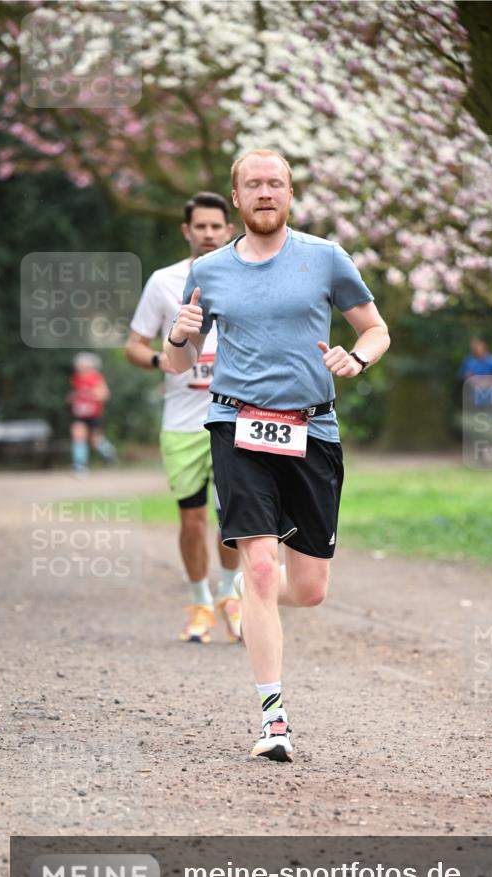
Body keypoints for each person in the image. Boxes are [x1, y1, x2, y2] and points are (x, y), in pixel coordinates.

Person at [165, 149, 390, 762]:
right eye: (253, 185)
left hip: (312, 429)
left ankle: (250, 590)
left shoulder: (325, 258)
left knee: (310, 588)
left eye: (276, 184)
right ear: (236, 198)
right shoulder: (209, 271)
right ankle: (274, 719)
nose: (265, 192)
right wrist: (181, 334)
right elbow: (177, 362)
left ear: (290, 194)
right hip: (236, 423)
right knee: (263, 567)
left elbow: (376, 328)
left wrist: (357, 357)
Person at [126, 192, 242, 644]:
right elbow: (133, 344)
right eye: (201, 227)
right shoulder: (162, 282)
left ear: (229, 229)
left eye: (217, 226)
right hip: (182, 422)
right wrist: (163, 361)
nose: (209, 234)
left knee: (234, 518)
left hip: (236, 417)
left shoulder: (247, 274)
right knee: (192, 521)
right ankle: (200, 603)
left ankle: (231, 595)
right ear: (187, 231)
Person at [69, 352, 117, 474]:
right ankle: (79, 465)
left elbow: (105, 395)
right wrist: (73, 397)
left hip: (94, 414)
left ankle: (109, 453)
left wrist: (89, 393)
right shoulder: (76, 378)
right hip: (79, 414)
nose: (80, 368)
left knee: (95, 440)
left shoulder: (96, 377)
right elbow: (73, 394)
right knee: (78, 437)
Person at [458, 337, 492, 408]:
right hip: (476, 395)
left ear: (484, 348)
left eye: (478, 348)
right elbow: (463, 376)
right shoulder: (469, 362)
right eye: (474, 349)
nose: (476, 351)